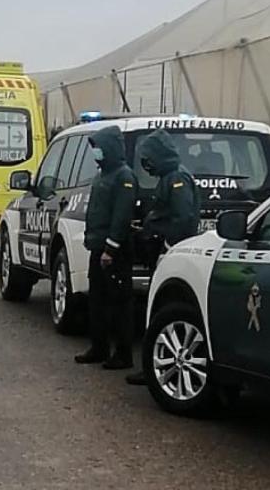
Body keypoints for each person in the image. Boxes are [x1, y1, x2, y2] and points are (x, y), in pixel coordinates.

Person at [126, 129, 200, 385]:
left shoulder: (177, 178)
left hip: (172, 253)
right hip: (164, 250)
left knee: (160, 311)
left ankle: (154, 368)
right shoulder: (168, 177)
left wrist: (168, 246)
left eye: (148, 158)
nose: (145, 164)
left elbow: (182, 216)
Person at [74, 126, 137, 370]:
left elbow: (121, 215)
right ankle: (98, 347)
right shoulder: (103, 175)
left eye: (98, 148)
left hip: (114, 251)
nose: (96, 153)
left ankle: (122, 354)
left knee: (119, 303)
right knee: (97, 301)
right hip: (98, 248)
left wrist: (111, 247)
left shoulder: (124, 177)